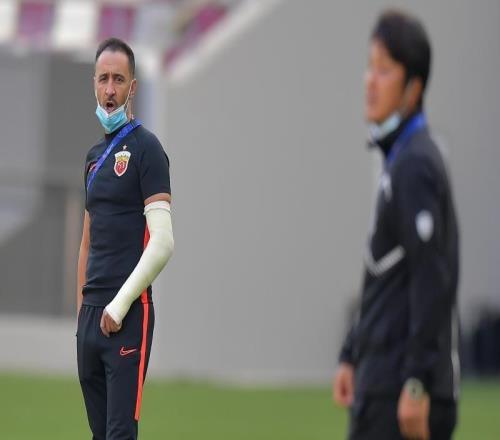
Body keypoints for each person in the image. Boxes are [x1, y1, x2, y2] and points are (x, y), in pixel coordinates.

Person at [332, 10, 459, 440]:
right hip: (380, 388)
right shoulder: (398, 159)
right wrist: (352, 352)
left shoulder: (416, 164)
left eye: (385, 70)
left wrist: (417, 383)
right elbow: (385, 277)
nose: (370, 81)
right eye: (370, 67)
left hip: (401, 397)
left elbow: (432, 278)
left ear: (413, 88)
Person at [76, 38, 174, 440]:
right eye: (103, 79)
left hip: (128, 316)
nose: (110, 89)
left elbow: (163, 242)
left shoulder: (148, 149)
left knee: (120, 435)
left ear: (132, 87)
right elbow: (87, 242)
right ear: (94, 85)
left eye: (118, 79)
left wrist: (118, 306)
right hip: (90, 321)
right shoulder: (92, 159)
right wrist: (82, 313)